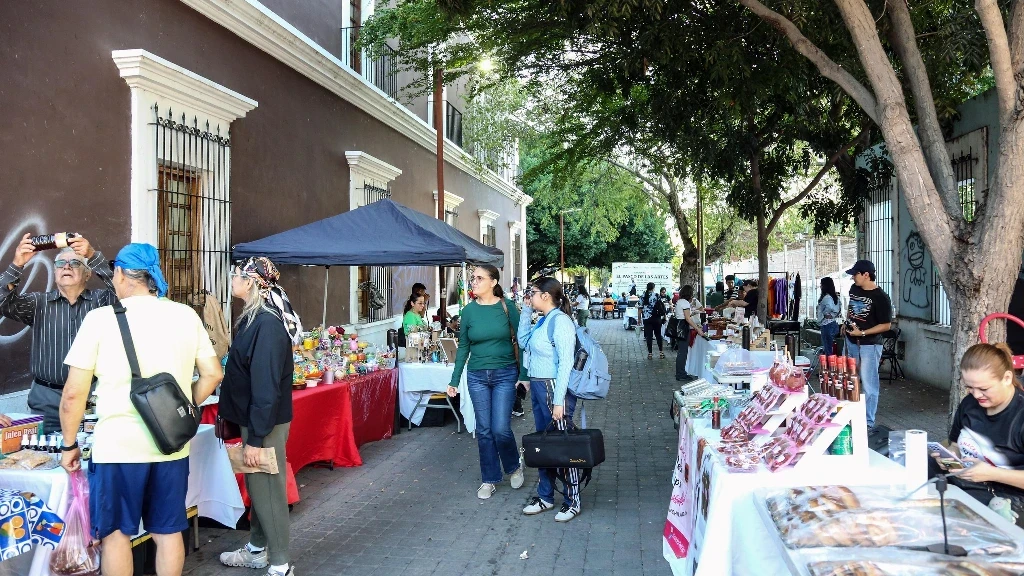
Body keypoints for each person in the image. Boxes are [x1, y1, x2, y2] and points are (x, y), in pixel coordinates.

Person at [59, 243, 222, 576]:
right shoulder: (184, 315)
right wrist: (180, 407)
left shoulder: (100, 319)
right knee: (167, 531)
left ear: (121, 275)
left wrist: (69, 444)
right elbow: (213, 374)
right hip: (169, 448)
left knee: (116, 536)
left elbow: (73, 395)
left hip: (117, 450)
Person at [218, 257, 302, 576]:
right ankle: (257, 549)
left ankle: (280, 563)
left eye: (236, 275)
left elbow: (266, 389)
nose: (232, 280)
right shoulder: (255, 318)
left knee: (268, 491)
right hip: (256, 420)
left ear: (251, 281)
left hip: (263, 424)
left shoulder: (266, 324)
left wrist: (254, 439)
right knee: (259, 489)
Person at [446, 264, 527, 500]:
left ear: (493, 282)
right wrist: (454, 379)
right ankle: (489, 478)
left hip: (505, 373)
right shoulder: (468, 311)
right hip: (477, 375)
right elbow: (463, 346)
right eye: (473, 278)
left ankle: (513, 466)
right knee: (483, 430)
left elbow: (521, 341)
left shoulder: (507, 306)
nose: (474, 282)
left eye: (479, 278)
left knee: (500, 428)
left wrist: (524, 375)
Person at [930, 343, 1024, 527]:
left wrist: (993, 473)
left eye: (984, 389)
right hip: (967, 482)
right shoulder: (969, 403)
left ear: (1006, 378)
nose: (976, 395)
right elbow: (955, 444)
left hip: (1010, 496)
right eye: (970, 388)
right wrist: (950, 457)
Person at [518, 277, 582, 522]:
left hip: (553, 387)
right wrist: (525, 310)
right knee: (544, 443)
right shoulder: (543, 321)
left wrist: (559, 401)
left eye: (532, 293)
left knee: (563, 445)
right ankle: (545, 496)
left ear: (546, 295)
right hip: (538, 385)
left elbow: (566, 362)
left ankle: (572, 499)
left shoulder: (561, 322)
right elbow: (524, 343)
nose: (530, 296)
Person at [842, 260, 892, 430]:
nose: (853, 278)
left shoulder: (881, 298)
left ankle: (868, 422)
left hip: (870, 345)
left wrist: (862, 333)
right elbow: (851, 307)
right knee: (850, 380)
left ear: (866, 275)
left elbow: (886, 325)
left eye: (855, 274)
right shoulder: (854, 289)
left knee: (869, 385)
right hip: (851, 342)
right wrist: (847, 323)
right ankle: (849, 416)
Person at [675, 285, 706, 382]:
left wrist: (693, 313)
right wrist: (698, 329)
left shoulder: (680, 301)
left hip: (679, 326)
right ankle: (681, 374)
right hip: (683, 328)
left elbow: (685, 315)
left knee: (681, 352)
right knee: (683, 352)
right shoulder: (685, 303)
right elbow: (687, 318)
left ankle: (681, 372)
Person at [641, 282, 667, 359]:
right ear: (653, 288)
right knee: (658, 335)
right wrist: (664, 316)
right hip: (656, 318)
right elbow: (661, 306)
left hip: (646, 318)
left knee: (649, 336)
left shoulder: (643, 296)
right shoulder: (656, 295)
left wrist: (639, 319)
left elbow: (640, 308)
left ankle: (650, 354)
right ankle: (661, 353)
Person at [817, 277, 842, 356]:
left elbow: (829, 307)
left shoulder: (827, 298)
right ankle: (832, 365)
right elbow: (838, 309)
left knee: (828, 349)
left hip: (826, 325)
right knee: (831, 348)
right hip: (833, 324)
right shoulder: (836, 297)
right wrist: (833, 315)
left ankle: (829, 367)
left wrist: (826, 314)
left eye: (821, 284)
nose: (820, 286)